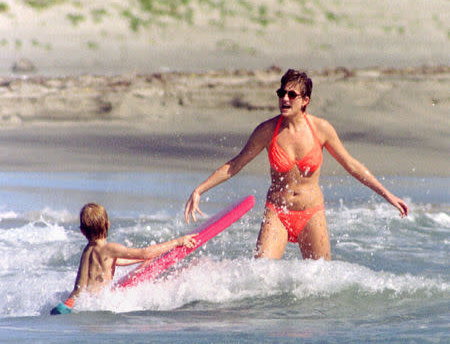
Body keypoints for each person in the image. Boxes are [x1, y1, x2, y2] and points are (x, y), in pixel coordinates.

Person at [184, 69, 408, 261]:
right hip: (277, 213)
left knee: (321, 283)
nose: (285, 99)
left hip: (311, 214)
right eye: (282, 93)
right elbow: (235, 164)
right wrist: (199, 189)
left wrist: (388, 195)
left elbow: (351, 165)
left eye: (292, 94)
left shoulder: (321, 129)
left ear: (305, 100)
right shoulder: (267, 131)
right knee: (261, 276)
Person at [50, 202, 197, 315]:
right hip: (92, 304)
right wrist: (178, 242)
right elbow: (145, 252)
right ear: (108, 224)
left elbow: (110, 264)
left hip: (71, 303)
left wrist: (142, 262)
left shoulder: (88, 250)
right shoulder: (109, 248)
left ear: (82, 232)